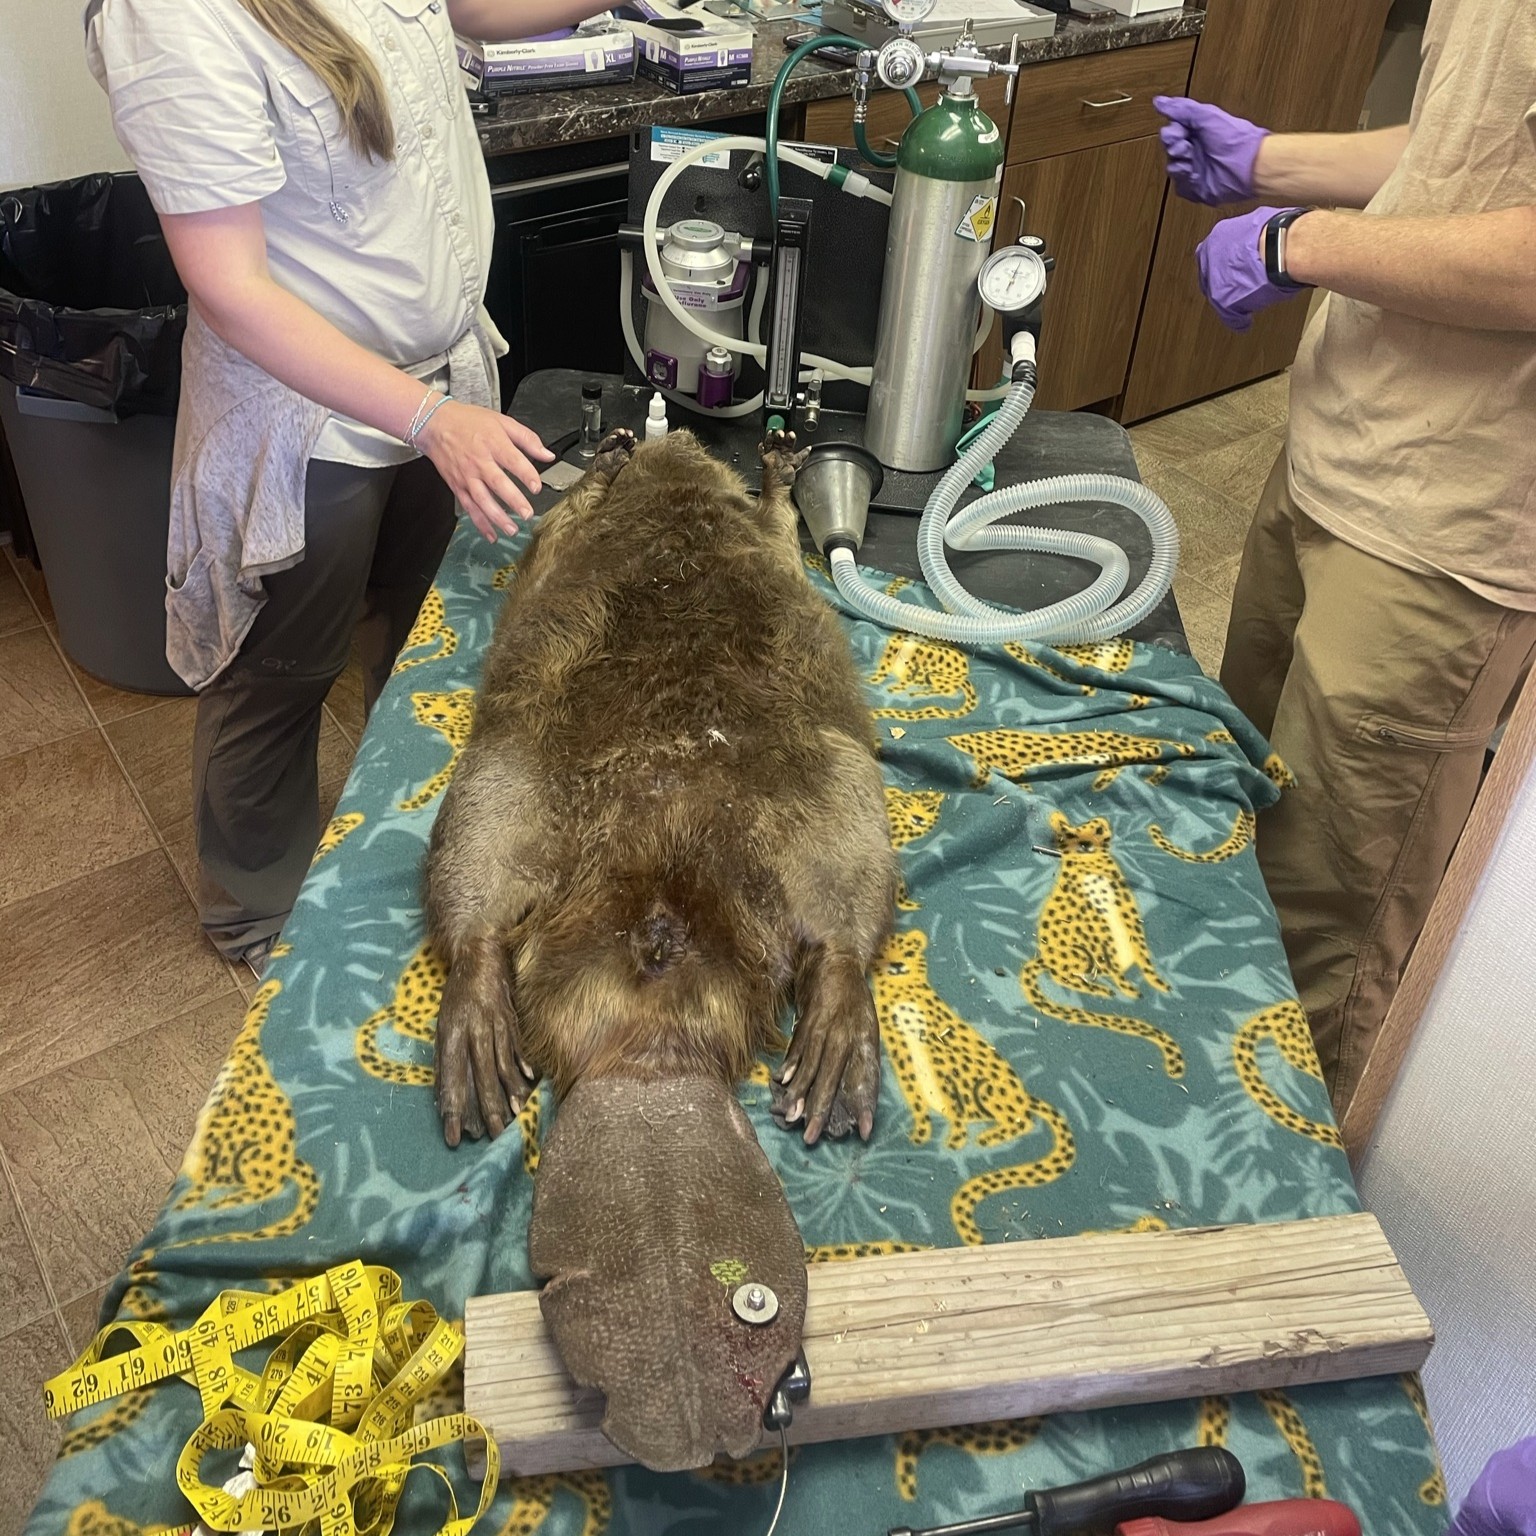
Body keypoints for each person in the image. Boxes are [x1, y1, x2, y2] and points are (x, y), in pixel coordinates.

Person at [84, 0, 616, 976]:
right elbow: (230, 285)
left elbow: (472, 6)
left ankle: (413, 840)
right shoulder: (168, 15)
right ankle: (257, 911)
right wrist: (427, 422)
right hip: (306, 418)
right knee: (280, 673)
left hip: (438, 384)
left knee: (424, 640)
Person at [1152, 0, 1536, 1114]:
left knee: (1323, 921)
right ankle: (1199, 1102)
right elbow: (1471, 150)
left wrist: (1299, 240)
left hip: (1445, 535)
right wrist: (1273, 162)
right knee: (1242, 822)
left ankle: (1281, 1174)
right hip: (1343, 448)